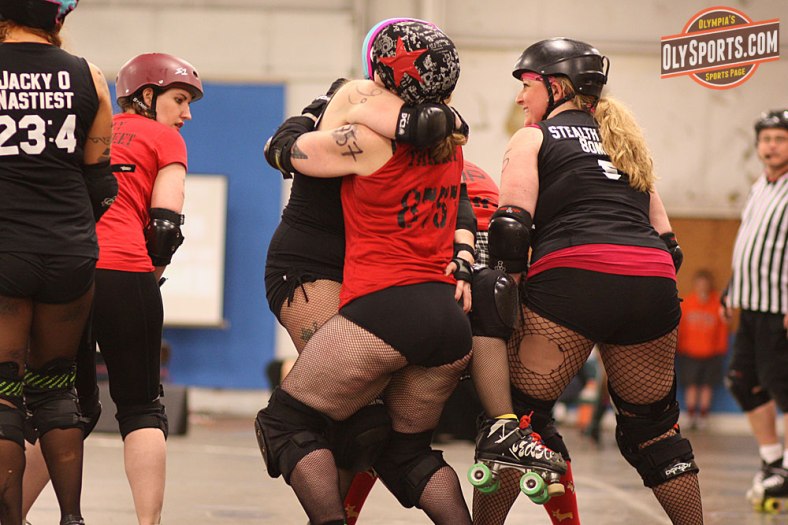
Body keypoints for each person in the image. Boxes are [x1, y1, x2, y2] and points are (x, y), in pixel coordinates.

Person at [475, 37, 704, 525]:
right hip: (651, 283)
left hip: (573, 280)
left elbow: (512, 228)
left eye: (528, 85)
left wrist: (511, 297)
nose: (520, 97)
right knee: (654, 433)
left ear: (557, 87)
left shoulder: (533, 138)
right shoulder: (627, 146)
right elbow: (670, 246)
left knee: (515, 422)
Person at [256, 19, 477, 525]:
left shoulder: (366, 139)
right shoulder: (450, 141)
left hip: (386, 304)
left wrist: (304, 121)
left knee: (287, 424)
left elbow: (287, 153)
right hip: (444, 318)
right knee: (403, 451)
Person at [0, 0, 115, 523]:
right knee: (55, 386)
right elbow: (99, 180)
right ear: (58, 19)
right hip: (69, 247)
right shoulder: (89, 74)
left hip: (6, 246)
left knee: (4, 387)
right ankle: (72, 517)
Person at [721, 109, 788, 510]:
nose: (771, 146)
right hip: (750, 304)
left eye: (780, 139)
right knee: (742, 381)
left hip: (780, 306)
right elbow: (750, 243)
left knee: (783, 386)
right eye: (766, 139)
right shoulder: (759, 186)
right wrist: (731, 290)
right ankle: (773, 462)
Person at [677, 269, 729, 430]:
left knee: (707, 386)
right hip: (689, 353)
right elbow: (680, 328)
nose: (702, 287)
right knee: (691, 385)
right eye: (699, 284)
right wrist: (679, 347)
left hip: (711, 353)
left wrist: (720, 349)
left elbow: (722, 328)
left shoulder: (717, 304)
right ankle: (691, 415)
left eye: (705, 284)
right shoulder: (687, 303)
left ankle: (703, 416)